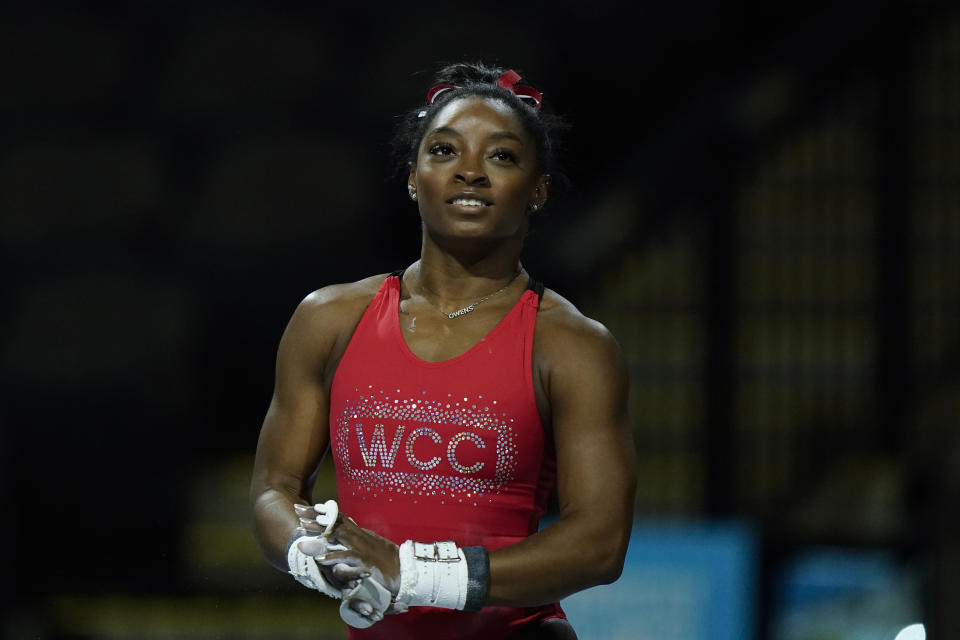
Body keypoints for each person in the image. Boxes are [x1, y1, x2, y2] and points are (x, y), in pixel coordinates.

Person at [250, 62, 636, 639]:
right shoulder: (328, 320)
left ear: (539, 190)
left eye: (501, 156)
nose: (471, 173)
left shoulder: (572, 345)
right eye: (445, 151)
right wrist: (308, 552)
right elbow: (273, 489)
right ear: (413, 176)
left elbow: (599, 545)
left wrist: (414, 574)